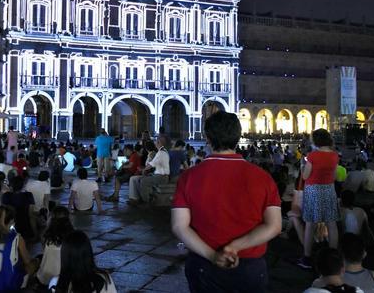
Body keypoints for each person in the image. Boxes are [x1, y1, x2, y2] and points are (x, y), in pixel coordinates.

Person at [172, 111, 281, 293]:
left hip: (204, 264)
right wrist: (235, 247)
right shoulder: (262, 177)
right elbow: (275, 226)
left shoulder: (189, 177)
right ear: (238, 137)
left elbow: (179, 227)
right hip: (249, 266)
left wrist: (214, 255)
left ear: (207, 138)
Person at [299, 129, 340, 270]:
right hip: (329, 189)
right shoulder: (334, 156)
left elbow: (305, 176)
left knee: (310, 224)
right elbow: (334, 177)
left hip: (313, 190)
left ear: (316, 140)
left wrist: (303, 167)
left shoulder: (313, 156)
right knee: (331, 224)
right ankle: (333, 256)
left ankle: (307, 257)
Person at [36, 206, 75, 287]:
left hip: (45, 278)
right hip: (65, 280)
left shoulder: (45, 236)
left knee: (39, 257)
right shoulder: (73, 237)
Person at [129, 135, 171, 205]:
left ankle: (146, 202)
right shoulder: (163, 151)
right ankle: (141, 198)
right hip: (160, 175)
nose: (155, 143)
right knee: (142, 179)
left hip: (161, 177)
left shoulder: (161, 153)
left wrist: (143, 170)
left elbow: (151, 164)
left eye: (156, 142)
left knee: (144, 181)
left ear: (159, 143)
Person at [1, 175, 35, 241]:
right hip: (25, 228)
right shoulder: (28, 195)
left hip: (10, 227)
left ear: (11, 185)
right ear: (22, 185)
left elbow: (3, 214)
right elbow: (31, 216)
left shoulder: (6, 196)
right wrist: (35, 233)